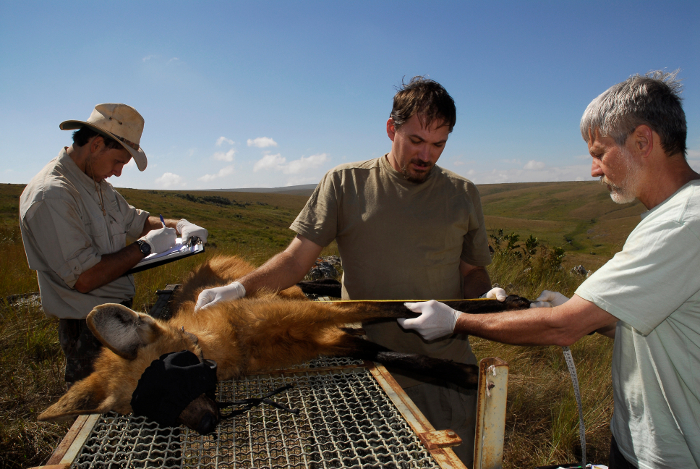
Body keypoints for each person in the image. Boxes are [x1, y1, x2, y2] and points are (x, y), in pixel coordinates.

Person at [195, 76, 504, 466]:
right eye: (415, 141)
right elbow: (294, 261)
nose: (426, 155)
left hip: (444, 371)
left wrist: (484, 298)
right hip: (365, 366)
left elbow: (473, 269)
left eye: (438, 144)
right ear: (391, 129)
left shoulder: (462, 193)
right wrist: (239, 289)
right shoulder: (345, 182)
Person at [399, 71, 700, 469]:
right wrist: (597, 318)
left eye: (599, 152)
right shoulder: (672, 215)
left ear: (643, 141)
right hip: (639, 443)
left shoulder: (683, 222)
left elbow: (561, 328)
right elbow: (655, 326)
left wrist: (456, 321)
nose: (594, 170)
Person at [20, 103, 208, 387]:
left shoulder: (97, 184)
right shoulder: (53, 195)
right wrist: (144, 248)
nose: (118, 173)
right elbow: (84, 278)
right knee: (98, 406)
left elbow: (139, 221)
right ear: (96, 145)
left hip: (117, 317)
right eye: (118, 162)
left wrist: (180, 225)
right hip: (89, 328)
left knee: (131, 394)